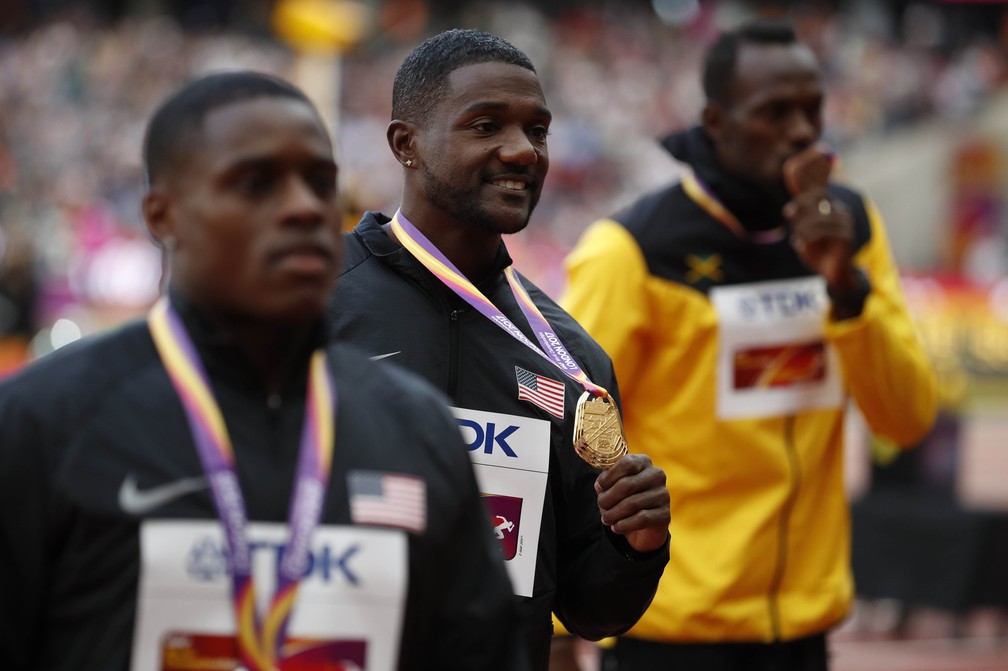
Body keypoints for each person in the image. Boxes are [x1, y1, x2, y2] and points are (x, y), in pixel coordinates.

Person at [0, 70, 525, 671]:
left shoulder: (417, 430)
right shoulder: (44, 423)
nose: (303, 208)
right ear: (162, 214)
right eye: (255, 184)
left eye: (320, 183)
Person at [561, 18, 938, 670]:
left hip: (802, 630)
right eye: (774, 112)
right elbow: (564, 438)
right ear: (715, 120)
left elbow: (905, 419)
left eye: (812, 109)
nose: (801, 131)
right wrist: (561, 627)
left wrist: (847, 289)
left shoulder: (851, 229)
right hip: (670, 630)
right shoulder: (633, 251)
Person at [327, 29, 671, 671]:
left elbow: (593, 611)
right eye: (486, 126)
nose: (522, 152)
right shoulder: (309, 311)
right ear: (406, 144)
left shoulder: (571, 360)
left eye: (537, 131)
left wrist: (636, 544)